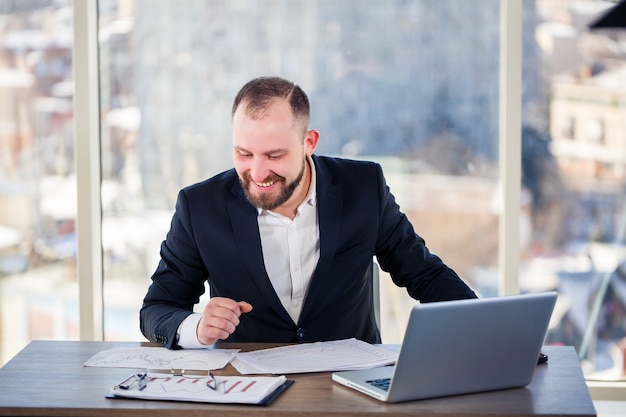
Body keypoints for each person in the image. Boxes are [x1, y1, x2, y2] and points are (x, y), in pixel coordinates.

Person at [140, 76, 477, 350]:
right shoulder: (200, 207)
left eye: (274, 155)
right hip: (247, 391)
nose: (257, 173)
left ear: (309, 142)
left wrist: (488, 329)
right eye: (244, 154)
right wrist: (196, 327)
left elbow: (424, 275)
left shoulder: (363, 187)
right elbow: (156, 310)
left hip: (350, 386)